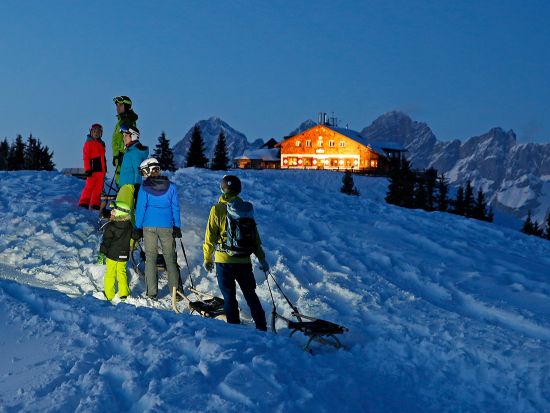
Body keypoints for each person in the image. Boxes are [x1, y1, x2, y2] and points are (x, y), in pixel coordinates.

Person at [203, 175, 269, 331]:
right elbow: (255, 238)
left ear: (222, 189)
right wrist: (262, 259)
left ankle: (234, 328)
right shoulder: (246, 210)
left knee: (229, 297)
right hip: (244, 260)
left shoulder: (217, 209)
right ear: (239, 190)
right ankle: (261, 326)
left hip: (223, 260)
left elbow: (209, 236)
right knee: (250, 295)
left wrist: (207, 258)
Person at [133, 158, 182, 299]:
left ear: (148, 170)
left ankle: (152, 293)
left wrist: (138, 227)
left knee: (151, 259)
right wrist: (177, 226)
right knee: (170, 259)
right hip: (167, 227)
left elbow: (140, 209)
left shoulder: (144, 187)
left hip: (149, 227)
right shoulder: (171, 186)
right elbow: (175, 208)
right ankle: (176, 293)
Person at [99, 200, 133, 301]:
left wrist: (102, 253)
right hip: (124, 254)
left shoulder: (111, 226)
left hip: (112, 255)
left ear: (120, 212)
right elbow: (135, 235)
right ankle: (124, 294)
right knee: (122, 272)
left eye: (114, 210)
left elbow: (106, 241)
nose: (111, 212)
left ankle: (109, 294)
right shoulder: (129, 225)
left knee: (110, 273)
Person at [116, 125, 149, 209]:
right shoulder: (130, 151)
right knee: (127, 214)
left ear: (133, 136)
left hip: (129, 187)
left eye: (126, 135)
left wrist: (137, 187)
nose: (124, 138)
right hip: (125, 187)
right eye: (123, 136)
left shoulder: (135, 152)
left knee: (122, 214)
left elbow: (137, 170)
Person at [79, 123, 107, 210]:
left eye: (98, 132)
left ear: (101, 133)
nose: (96, 133)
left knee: (98, 188)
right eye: (94, 131)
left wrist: (104, 169)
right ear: (91, 132)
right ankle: (84, 202)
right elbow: (86, 157)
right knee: (89, 186)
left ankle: (95, 204)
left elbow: (103, 157)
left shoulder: (102, 144)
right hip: (92, 170)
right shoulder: (88, 143)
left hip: (100, 170)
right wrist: (88, 169)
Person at [112, 96, 138, 184]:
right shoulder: (120, 121)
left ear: (126, 107)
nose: (117, 108)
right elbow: (116, 140)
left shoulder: (128, 121)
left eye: (120, 105)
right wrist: (115, 156)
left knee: (125, 182)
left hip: (124, 156)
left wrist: (124, 153)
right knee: (120, 182)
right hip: (119, 157)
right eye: (117, 106)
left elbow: (130, 139)